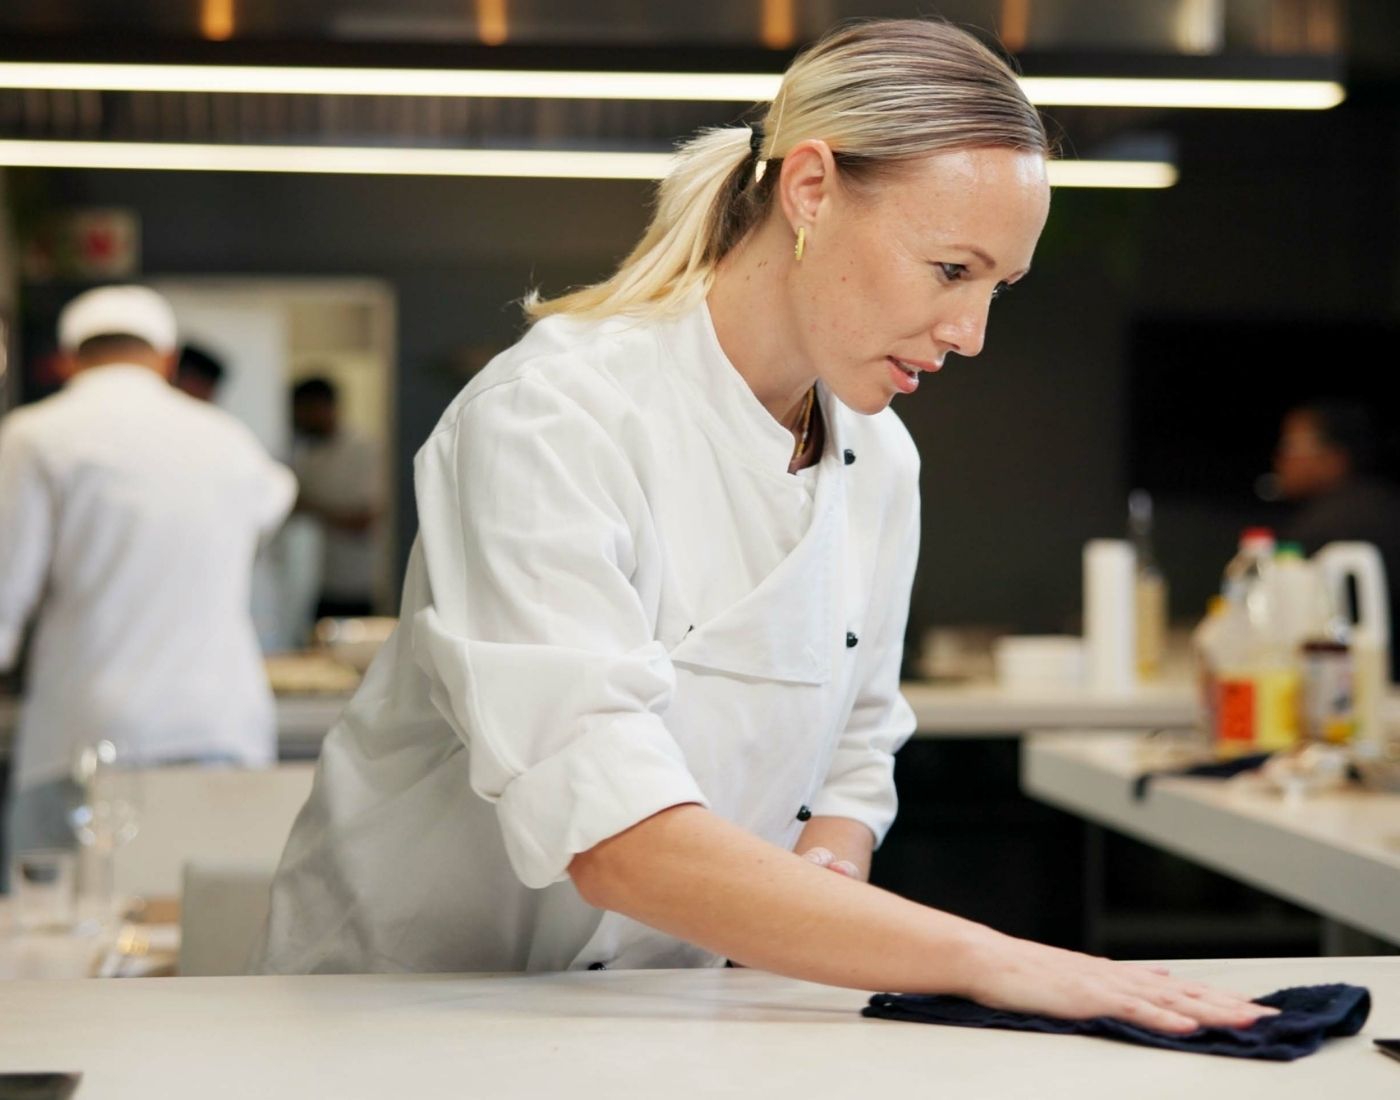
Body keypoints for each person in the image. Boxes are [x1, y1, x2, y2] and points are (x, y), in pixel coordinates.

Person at [258, 20, 1274, 1035]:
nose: (969, 335)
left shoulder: (878, 459)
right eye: (950, 271)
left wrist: (821, 892)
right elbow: (608, 825)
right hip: (404, 1009)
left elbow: (855, 742)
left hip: (661, 1010)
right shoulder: (554, 413)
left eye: (995, 288)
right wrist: (989, 959)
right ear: (811, 189)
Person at [0, 285, 297, 862]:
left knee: (69, 927)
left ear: (67, 360)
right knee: (208, 928)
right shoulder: (228, 439)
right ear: (166, 357)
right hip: (221, 724)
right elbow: (274, 500)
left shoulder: (36, 435)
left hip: (88, 733)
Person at [1274, 399, 1400, 678]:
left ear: (1336, 456)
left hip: (1358, 690)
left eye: (1290, 445)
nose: (1281, 458)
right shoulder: (1386, 503)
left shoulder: (1321, 528)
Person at [290, 376, 383, 619]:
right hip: (327, 583)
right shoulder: (308, 453)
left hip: (365, 586)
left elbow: (366, 521)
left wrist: (311, 508)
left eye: (305, 411)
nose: (300, 419)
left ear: (324, 407)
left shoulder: (363, 450)